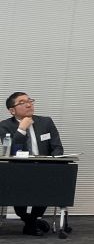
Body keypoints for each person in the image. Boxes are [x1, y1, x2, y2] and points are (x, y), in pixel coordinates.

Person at [1, 92, 64, 236]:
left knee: (47, 186)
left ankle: (32, 222)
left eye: (30, 100)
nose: (29, 104)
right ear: (12, 110)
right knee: (17, 192)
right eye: (22, 102)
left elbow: (57, 147)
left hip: (44, 168)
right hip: (18, 170)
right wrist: (21, 129)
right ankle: (31, 222)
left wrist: (54, 163)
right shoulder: (5, 126)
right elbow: (10, 151)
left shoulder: (46, 122)